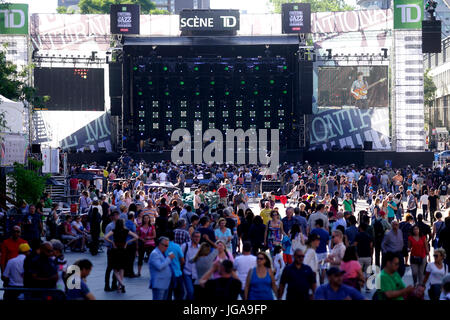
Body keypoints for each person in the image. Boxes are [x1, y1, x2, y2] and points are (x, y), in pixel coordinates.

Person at [104, 218, 139, 293]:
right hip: (123, 249)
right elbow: (136, 237)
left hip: (115, 250)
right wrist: (127, 242)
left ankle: (122, 284)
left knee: (115, 269)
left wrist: (112, 242)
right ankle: (119, 286)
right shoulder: (126, 231)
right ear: (123, 224)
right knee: (122, 268)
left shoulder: (114, 231)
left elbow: (105, 237)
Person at [181, 231, 201, 300]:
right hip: (187, 272)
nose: (197, 238)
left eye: (198, 237)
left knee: (194, 293)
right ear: (191, 237)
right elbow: (180, 257)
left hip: (196, 274)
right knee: (190, 291)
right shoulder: (185, 246)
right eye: (195, 237)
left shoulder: (200, 247)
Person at [353, 223, 373, 292]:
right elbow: (371, 246)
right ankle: (368, 287)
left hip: (360, 256)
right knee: (368, 273)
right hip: (368, 256)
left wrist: (355, 254)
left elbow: (355, 245)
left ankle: (359, 287)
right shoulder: (369, 236)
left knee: (359, 272)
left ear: (361, 228)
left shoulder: (358, 235)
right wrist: (371, 255)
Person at [104, 211, 119, 292]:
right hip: (111, 249)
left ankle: (114, 284)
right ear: (112, 216)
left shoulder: (119, 225)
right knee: (109, 267)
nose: (117, 216)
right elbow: (106, 238)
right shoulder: (110, 226)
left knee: (116, 267)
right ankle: (106, 285)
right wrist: (110, 244)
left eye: (118, 215)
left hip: (118, 249)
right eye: (116, 215)